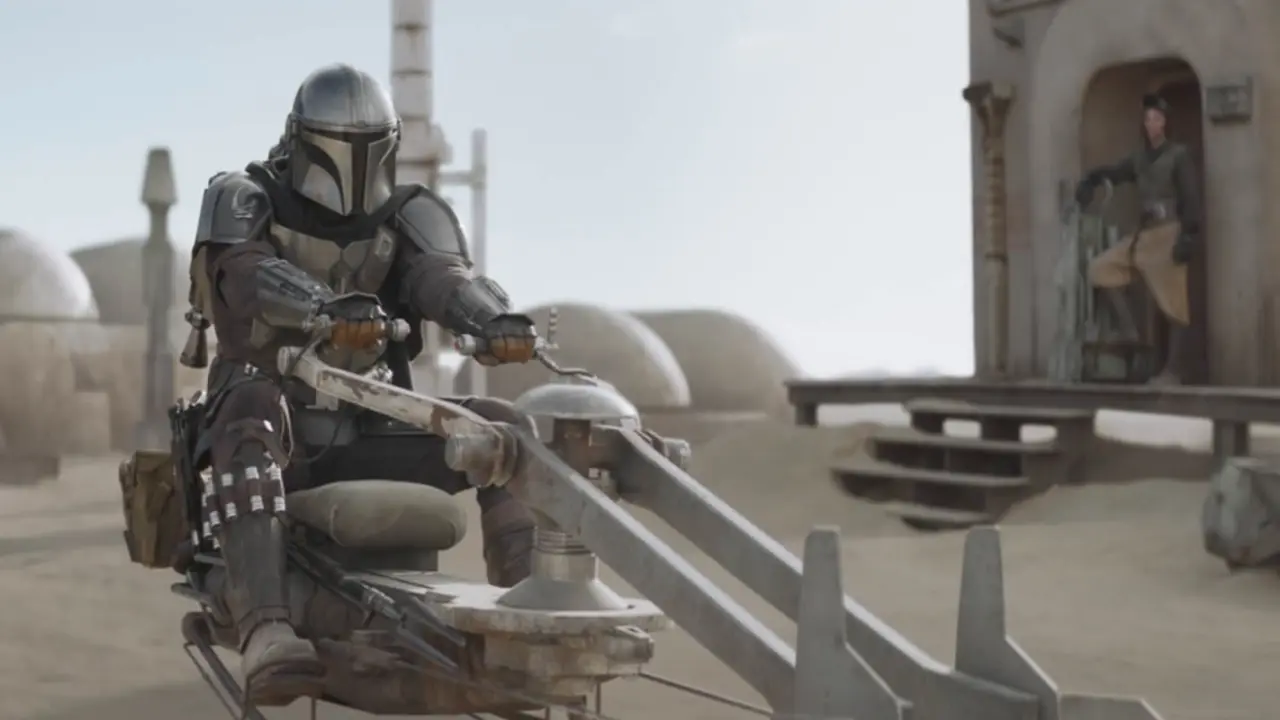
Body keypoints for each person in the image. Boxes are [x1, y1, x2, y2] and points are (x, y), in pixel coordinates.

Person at [183, 64, 539, 706]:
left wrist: (490, 319)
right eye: (334, 146)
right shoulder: (245, 196)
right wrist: (321, 306)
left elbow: (441, 275)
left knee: (502, 429)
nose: (351, 167)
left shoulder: (409, 212)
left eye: (366, 147)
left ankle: (531, 611)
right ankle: (266, 628)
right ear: (301, 139)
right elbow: (245, 271)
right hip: (272, 440)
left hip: (369, 429)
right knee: (252, 405)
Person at [1074, 93, 1201, 385]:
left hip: (1168, 232)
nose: (1151, 124)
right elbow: (1116, 173)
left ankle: (1174, 371)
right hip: (1143, 234)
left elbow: (1191, 198)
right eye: (1148, 119)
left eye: (1157, 119)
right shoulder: (1139, 159)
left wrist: (1188, 236)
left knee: (1174, 305)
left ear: (1165, 123)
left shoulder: (1178, 156)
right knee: (1100, 268)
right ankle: (1131, 332)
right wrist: (1091, 179)